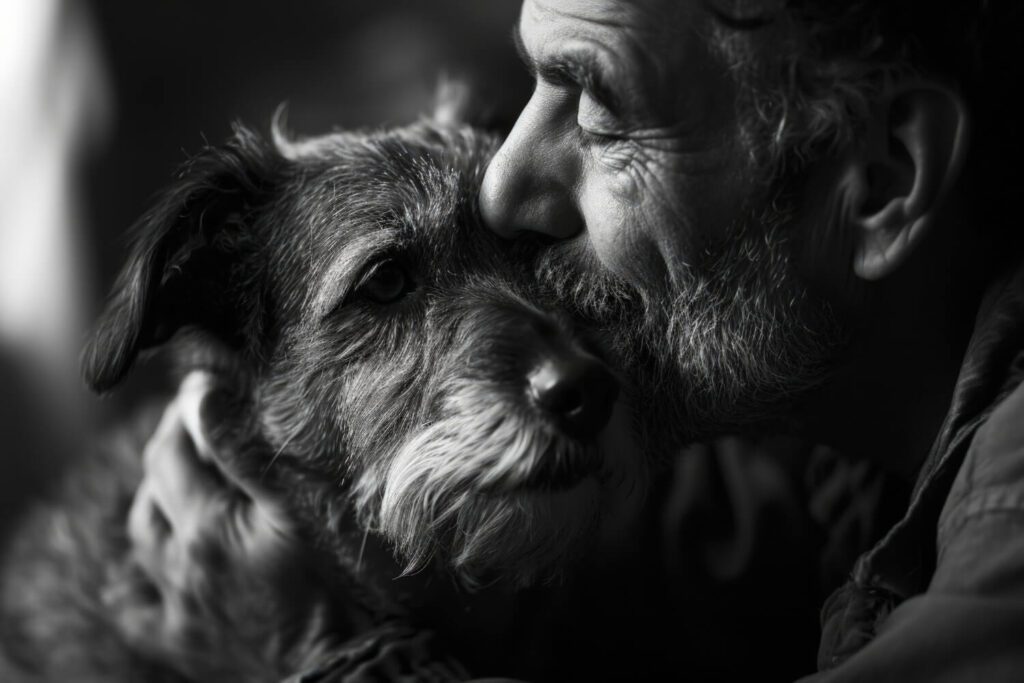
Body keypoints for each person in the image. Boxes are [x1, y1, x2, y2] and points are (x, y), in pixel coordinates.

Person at [134, 0, 1024, 680]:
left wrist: (316, 649)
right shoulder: (827, 442)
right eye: (534, 90)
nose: (502, 186)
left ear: (879, 183)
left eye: (602, 113)